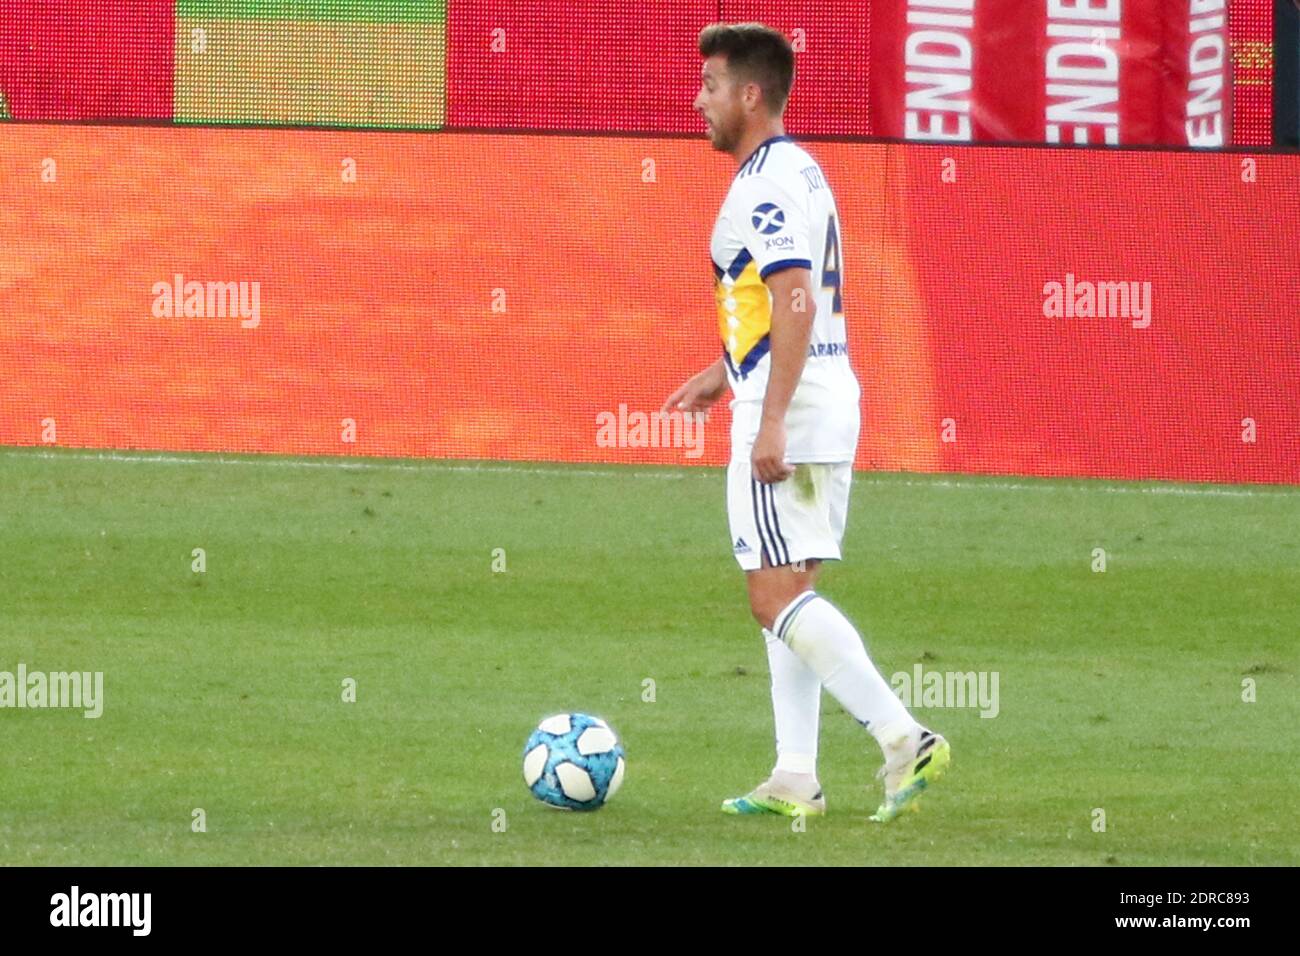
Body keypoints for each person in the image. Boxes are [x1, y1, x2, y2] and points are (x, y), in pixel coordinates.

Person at [663, 23, 949, 823]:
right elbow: (788, 299)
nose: (700, 101)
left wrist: (770, 418)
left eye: (712, 87)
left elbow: (794, 295)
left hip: (794, 409)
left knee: (769, 598)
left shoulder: (761, 184)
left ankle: (903, 737)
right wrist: (725, 373)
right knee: (791, 588)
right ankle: (796, 775)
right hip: (821, 397)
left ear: (750, 94)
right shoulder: (801, 171)